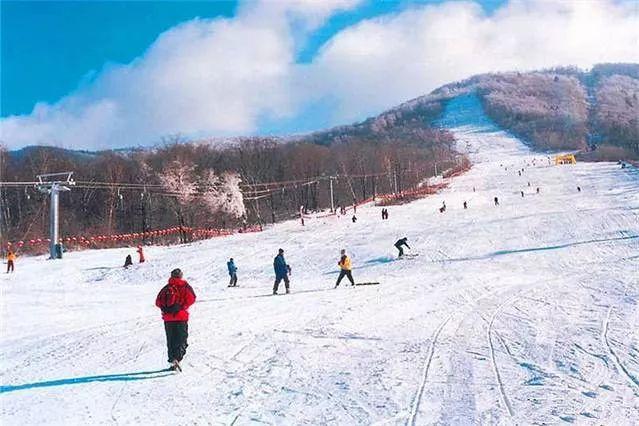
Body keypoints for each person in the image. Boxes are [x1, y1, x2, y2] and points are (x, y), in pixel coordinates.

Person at [155, 268, 196, 371]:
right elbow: (192, 298)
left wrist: (166, 309)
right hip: (181, 317)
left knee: (171, 339)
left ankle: (172, 360)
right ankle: (178, 357)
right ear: (181, 276)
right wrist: (183, 307)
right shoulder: (185, 286)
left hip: (168, 318)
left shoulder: (166, 287)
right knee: (182, 339)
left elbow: (157, 302)